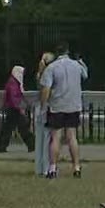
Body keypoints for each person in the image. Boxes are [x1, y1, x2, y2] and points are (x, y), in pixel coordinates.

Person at [40, 43, 88, 179]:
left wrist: (43, 105)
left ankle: (52, 168)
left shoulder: (52, 67)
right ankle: (76, 167)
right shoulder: (76, 65)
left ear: (56, 53)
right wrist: (81, 61)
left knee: (56, 137)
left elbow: (46, 88)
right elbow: (85, 75)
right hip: (73, 105)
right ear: (67, 51)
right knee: (72, 137)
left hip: (57, 106)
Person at [0, 65, 34, 154]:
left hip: (12, 108)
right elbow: (13, 97)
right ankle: (32, 145)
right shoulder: (13, 83)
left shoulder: (13, 82)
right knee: (22, 128)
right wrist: (19, 107)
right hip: (14, 109)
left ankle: (0, 146)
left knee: (7, 128)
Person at [33, 52, 54, 176]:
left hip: (39, 107)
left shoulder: (39, 74)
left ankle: (39, 167)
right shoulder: (48, 74)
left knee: (40, 139)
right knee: (47, 139)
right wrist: (44, 106)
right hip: (46, 107)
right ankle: (46, 167)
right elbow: (46, 92)